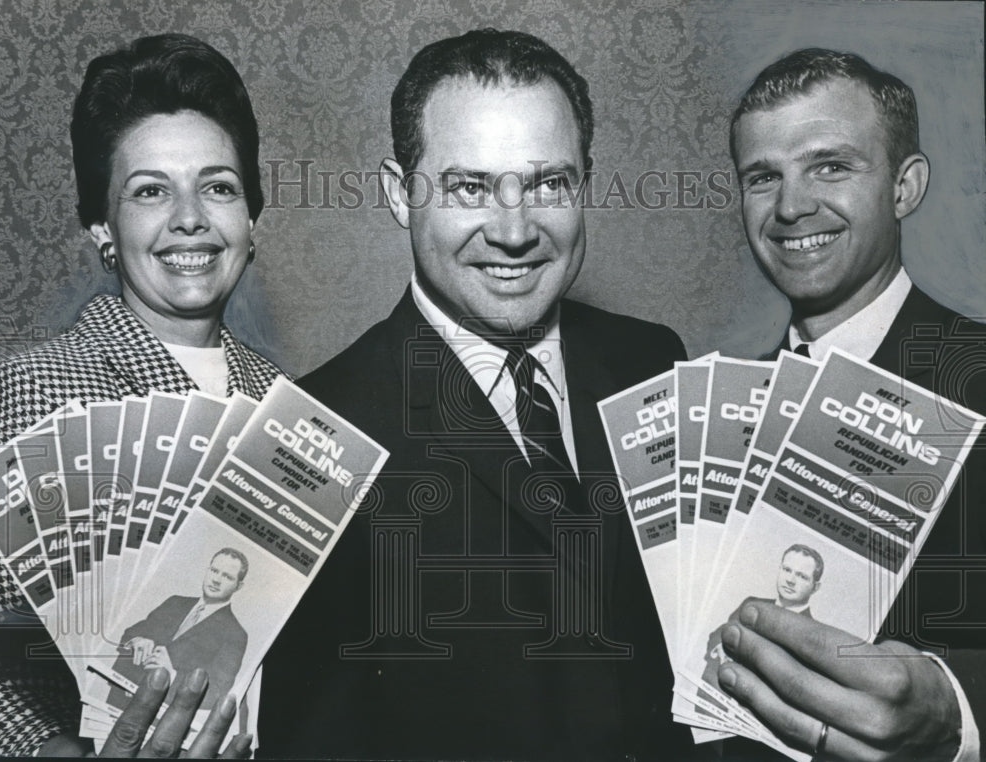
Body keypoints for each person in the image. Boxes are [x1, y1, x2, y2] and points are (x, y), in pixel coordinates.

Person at [260, 29, 695, 760]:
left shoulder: (653, 362)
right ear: (400, 195)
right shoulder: (319, 436)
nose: (516, 230)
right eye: (470, 188)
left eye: (549, 183)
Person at [0, 33, 282, 756]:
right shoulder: (39, 388)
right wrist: (41, 750)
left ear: (252, 220)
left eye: (218, 187)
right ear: (103, 228)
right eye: (150, 190)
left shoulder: (286, 403)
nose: (189, 218)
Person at [721, 48, 984, 761]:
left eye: (830, 166)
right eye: (762, 177)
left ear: (905, 186)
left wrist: (957, 712)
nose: (791, 207)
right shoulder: (713, 412)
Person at [111, 548, 250, 711]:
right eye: (214, 571)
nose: (216, 580)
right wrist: (137, 641)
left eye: (227, 576)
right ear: (207, 571)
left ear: (238, 586)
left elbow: (216, 693)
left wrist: (171, 674)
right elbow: (129, 634)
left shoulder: (236, 634)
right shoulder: (175, 602)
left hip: (157, 715)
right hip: (117, 698)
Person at [701, 544, 824, 690]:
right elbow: (717, 635)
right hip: (715, 694)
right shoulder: (751, 603)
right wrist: (720, 646)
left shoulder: (813, 635)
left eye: (802, 576)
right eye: (787, 570)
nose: (790, 580)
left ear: (815, 587)